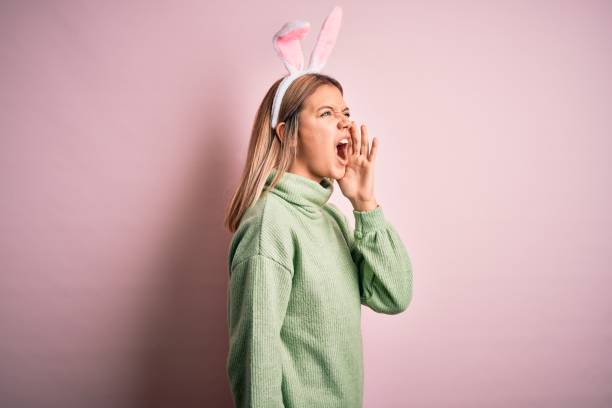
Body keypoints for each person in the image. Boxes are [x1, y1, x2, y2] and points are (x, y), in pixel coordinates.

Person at [222, 72, 414, 407]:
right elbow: (255, 361)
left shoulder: (333, 219)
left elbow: (393, 294)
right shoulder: (270, 223)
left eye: (346, 113)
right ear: (288, 134)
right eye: (327, 113)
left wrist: (365, 203)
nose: (345, 124)